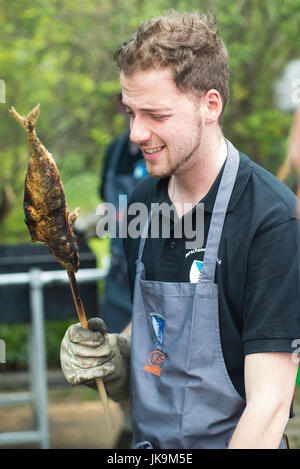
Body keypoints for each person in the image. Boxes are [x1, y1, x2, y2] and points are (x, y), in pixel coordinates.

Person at [60, 11, 300, 449]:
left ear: (210, 105)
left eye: (155, 114)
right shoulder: (138, 204)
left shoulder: (271, 219)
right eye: (131, 112)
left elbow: (268, 406)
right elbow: (157, 329)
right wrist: (118, 357)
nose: (135, 132)